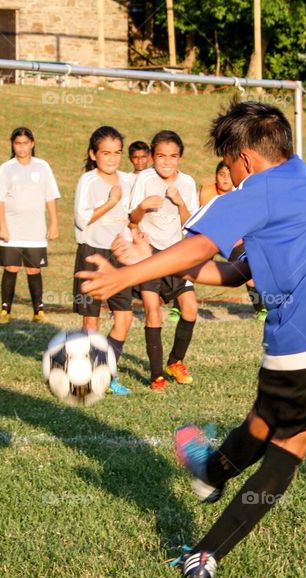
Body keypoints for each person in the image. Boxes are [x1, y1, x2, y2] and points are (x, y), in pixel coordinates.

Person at [78, 101, 306, 578]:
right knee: (289, 443)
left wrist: (127, 272)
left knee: (265, 424)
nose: (229, 174)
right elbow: (232, 272)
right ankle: (206, 547)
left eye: (228, 165)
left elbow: (204, 245)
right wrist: (156, 256)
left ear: (245, 159)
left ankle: (210, 474)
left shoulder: (260, 188)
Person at [127, 131, 200, 390]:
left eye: (172, 156)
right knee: (152, 311)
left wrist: (180, 203)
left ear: (180, 157)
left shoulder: (188, 183)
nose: (166, 162)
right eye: (160, 156)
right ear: (152, 156)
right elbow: (132, 220)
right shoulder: (145, 179)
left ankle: (175, 361)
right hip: (150, 254)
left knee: (190, 308)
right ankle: (156, 374)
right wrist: (143, 207)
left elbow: (192, 225)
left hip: (177, 254)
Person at [72, 126, 134, 395]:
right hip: (92, 254)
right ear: (93, 154)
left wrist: (133, 235)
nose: (111, 158)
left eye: (117, 153)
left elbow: (130, 216)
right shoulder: (88, 181)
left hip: (118, 258)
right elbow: (82, 219)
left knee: (125, 318)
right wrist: (111, 202)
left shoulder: (127, 181)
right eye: (106, 153)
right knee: (91, 321)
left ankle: (107, 373)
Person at [0, 127, 60, 324]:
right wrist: (3, 226)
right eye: (17, 144)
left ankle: (38, 311)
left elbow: (51, 196)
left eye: (25, 143)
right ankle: (5, 311)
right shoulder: (6, 168)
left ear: (32, 144)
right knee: (11, 268)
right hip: (12, 229)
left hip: (36, 229)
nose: (21, 148)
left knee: (34, 269)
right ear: (13, 145)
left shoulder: (42, 167)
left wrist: (54, 223)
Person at [200, 162, 266, 319]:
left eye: (228, 176)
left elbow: (245, 225)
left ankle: (261, 308)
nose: (225, 179)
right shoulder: (206, 192)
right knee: (189, 263)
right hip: (209, 238)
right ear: (216, 176)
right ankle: (178, 305)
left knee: (249, 275)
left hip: (235, 241)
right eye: (221, 175)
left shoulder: (240, 194)